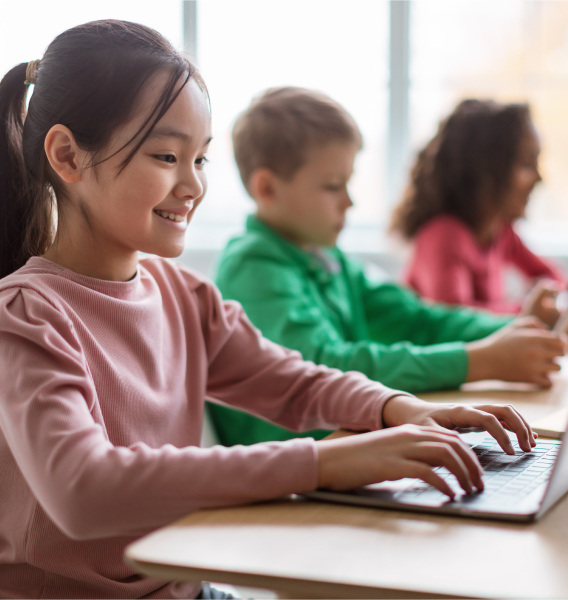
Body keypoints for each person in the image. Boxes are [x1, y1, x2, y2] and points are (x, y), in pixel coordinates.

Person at [0, 20, 540, 600]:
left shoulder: (184, 296)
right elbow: (85, 494)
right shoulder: (26, 316)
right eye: (166, 155)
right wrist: (325, 463)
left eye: (201, 160)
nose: (193, 186)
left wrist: (396, 410)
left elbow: (293, 382)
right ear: (66, 155)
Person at [208, 87, 567, 448]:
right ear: (267, 189)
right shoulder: (252, 265)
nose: (349, 201)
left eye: (348, 183)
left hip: (345, 445)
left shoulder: (329, 259)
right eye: (334, 186)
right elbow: (329, 368)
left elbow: (419, 319)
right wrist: (477, 361)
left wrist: (519, 327)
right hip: (291, 470)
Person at [390, 98, 566, 314]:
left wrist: (541, 302)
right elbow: (456, 321)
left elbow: (552, 277)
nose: (539, 179)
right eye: (526, 165)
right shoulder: (443, 236)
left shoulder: (500, 231)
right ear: (486, 171)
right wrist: (526, 311)